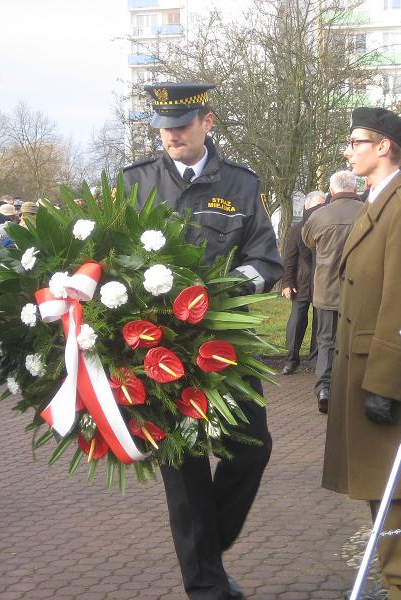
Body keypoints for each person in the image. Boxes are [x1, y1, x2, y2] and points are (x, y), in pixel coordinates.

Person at [122, 82, 283, 600]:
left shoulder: (239, 184)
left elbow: (267, 261)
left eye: (182, 124)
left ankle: (208, 545)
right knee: (184, 471)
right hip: (156, 348)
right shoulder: (135, 182)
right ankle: (208, 587)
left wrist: (225, 289)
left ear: (207, 122)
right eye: (164, 127)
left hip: (221, 342)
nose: (170, 135)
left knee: (252, 448)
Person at [323, 107, 401, 599]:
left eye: (357, 141)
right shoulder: (383, 200)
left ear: (384, 147)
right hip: (367, 367)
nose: (348, 149)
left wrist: (386, 382)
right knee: (383, 487)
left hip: (388, 372)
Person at [302, 170, 362, 414]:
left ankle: (324, 388)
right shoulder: (368, 212)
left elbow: (307, 241)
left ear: (331, 191)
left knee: (326, 340)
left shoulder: (319, 215)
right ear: (355, 189)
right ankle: (353, 388)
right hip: (360, 289)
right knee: (356, 339)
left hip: (326, 288)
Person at [280, 210, 314, 376]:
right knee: (296, 321)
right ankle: (291, 360)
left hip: (320, 282)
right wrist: (287, 282)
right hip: (301, 283)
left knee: (321, 324)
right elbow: (290, 258)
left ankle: (315, 360)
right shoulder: (297, 229)